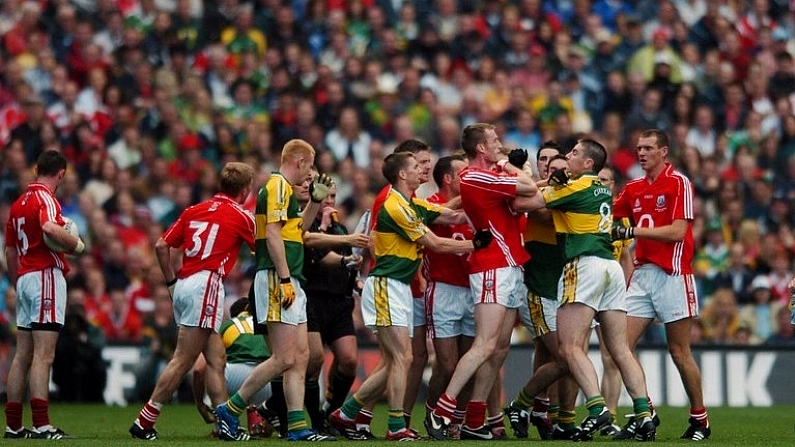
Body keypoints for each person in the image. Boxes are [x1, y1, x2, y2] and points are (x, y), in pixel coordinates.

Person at [329, 151, 492, 441]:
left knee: (396, 360)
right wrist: (474, 244)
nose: (422, 170)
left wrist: (481, 200)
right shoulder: (396, 206)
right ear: (402, 174)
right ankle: (394, 427)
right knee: (403, 357)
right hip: (386, 286)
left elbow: (450, 213)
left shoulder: (408, 201)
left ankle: (346, 413)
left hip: (399, 287)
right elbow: (435, 243)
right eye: (416, 166)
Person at [521, 138, 657, 441]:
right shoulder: (602, 189)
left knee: (570, 348)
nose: (568, 157)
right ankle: (644, 414)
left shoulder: (576, 186)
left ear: (588, 164)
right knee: (620, 348)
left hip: (584, 266)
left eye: (574, 153)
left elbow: (523, 204)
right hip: (611, 267)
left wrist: (541, 181)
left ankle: (597, 409)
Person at [215, 139, 335, 442]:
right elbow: (271, 234)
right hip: (278, 278)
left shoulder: (285, 191)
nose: (309, 175)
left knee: (301, 355)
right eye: (309, 166)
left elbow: (297, 232)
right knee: (283, 358)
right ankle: (230, 409)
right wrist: (283, 279)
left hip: (292, 278)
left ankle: (297, 427)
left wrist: (315, 203)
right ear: (300, 161)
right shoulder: (278, 186)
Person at [426, 122, 538, 440]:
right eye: (494, 140)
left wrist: (514, 170)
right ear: (481, 148)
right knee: (484, 344)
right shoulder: (475, 176)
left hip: (510, 266)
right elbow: (528, 189)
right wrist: (508, 165)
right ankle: (443, 411)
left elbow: (526, 194)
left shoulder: (487, 178)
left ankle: (475, 420)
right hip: (493, 267)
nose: (500, 144)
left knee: (499, 348)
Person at [129, 162, 256, 441]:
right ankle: (144, 421)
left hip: (185, 283)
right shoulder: (242, 215)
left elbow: (162, 246)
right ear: (245, 190)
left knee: (216, 358)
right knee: (183, 360)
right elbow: (263, 248)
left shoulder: (193, 210)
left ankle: (224, 425)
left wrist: (171, 282)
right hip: (206, 284)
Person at [612, 129, 710, 440]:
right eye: (639, 147)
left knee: (679, 351)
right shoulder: (633, 188)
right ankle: (646, 412)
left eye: (648, 148)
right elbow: (607, 217)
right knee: (619, 347)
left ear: (663, 152)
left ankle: (700, 420)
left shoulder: (678, 183)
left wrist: (633, 233)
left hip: (673, 274)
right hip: (643, 275)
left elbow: (678, 232)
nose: (641, 153)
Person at [4, 150, 85, 439]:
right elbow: (50, 226)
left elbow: (10, 250)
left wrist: (18, 282)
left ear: (37, 168)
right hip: (44, 277)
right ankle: (42, 425)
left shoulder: (18, 203)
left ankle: (13, 426)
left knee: (22, 355)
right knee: (44, 355)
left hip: (25, 277)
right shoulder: (45, 199)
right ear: (61, 173)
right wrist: (76, 246)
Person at [507, 145, 579, 441]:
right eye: (545, 162)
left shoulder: (573, 193)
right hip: (539, 288)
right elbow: (545, 215)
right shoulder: (534, 199)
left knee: (555, 353)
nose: (551, 167)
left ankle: (554, 416)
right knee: (566, 356)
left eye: (557, 164)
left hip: (567, 289)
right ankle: (523, 404)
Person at [422, 154, 476, 440]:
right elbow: (438, 215)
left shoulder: (476, 205)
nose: (468, 177)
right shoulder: (428, 203)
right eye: (462, 173)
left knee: (470, 363)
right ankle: (432, 413)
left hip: (473, 289)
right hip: (443, 290)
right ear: (447, 179)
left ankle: (456, 421)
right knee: (447, 364)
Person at [192, 297, 275, 437]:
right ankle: (264, 421)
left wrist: (200, 403)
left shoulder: (228, 325)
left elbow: (198, 369)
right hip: (268, 381)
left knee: (213, 370)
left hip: (233, 376)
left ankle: (221, 426)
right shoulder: (268, 324)